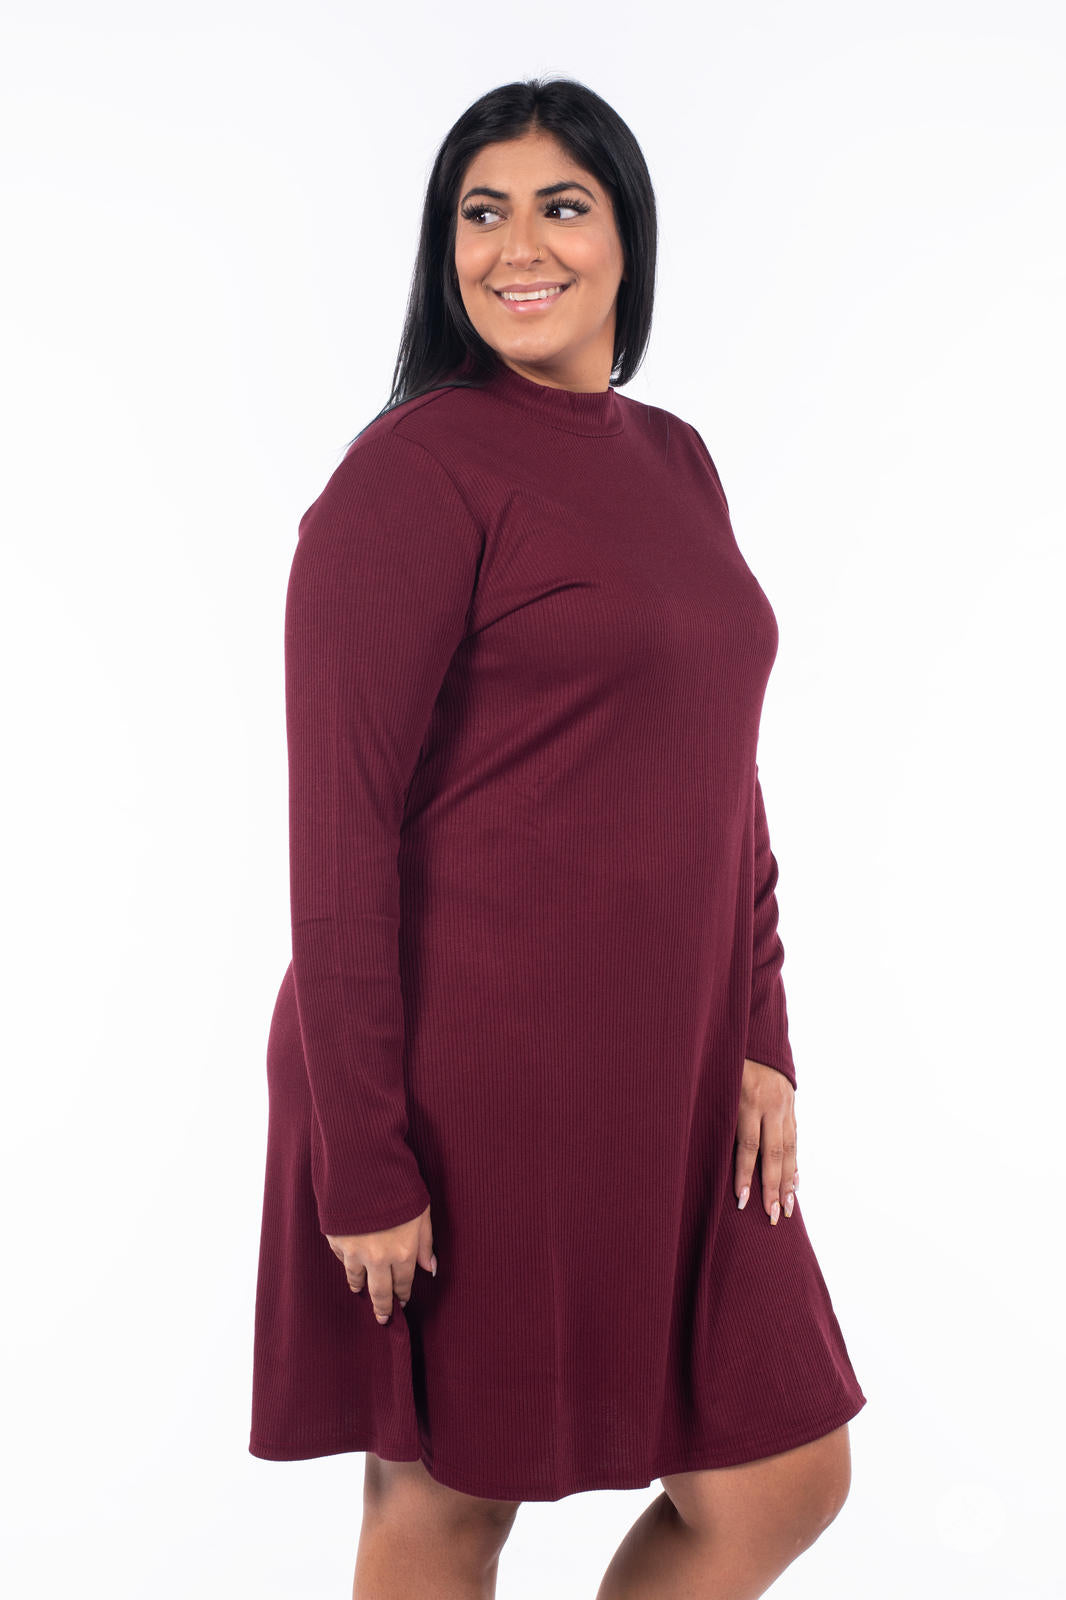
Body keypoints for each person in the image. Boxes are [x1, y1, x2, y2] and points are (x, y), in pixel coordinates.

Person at [249, 75, 867, 1599]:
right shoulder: (412, 473)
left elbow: (719, 771)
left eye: (560, 206)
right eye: (480, 212)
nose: (516, 247)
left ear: (626, 238)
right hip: (463, 1075)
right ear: (442, 249)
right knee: (451, 1505)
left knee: (780, 1473)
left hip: (667, 1068)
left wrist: (758, 1036)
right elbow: (336, 839)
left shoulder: (674, 459)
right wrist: (366, 1159)